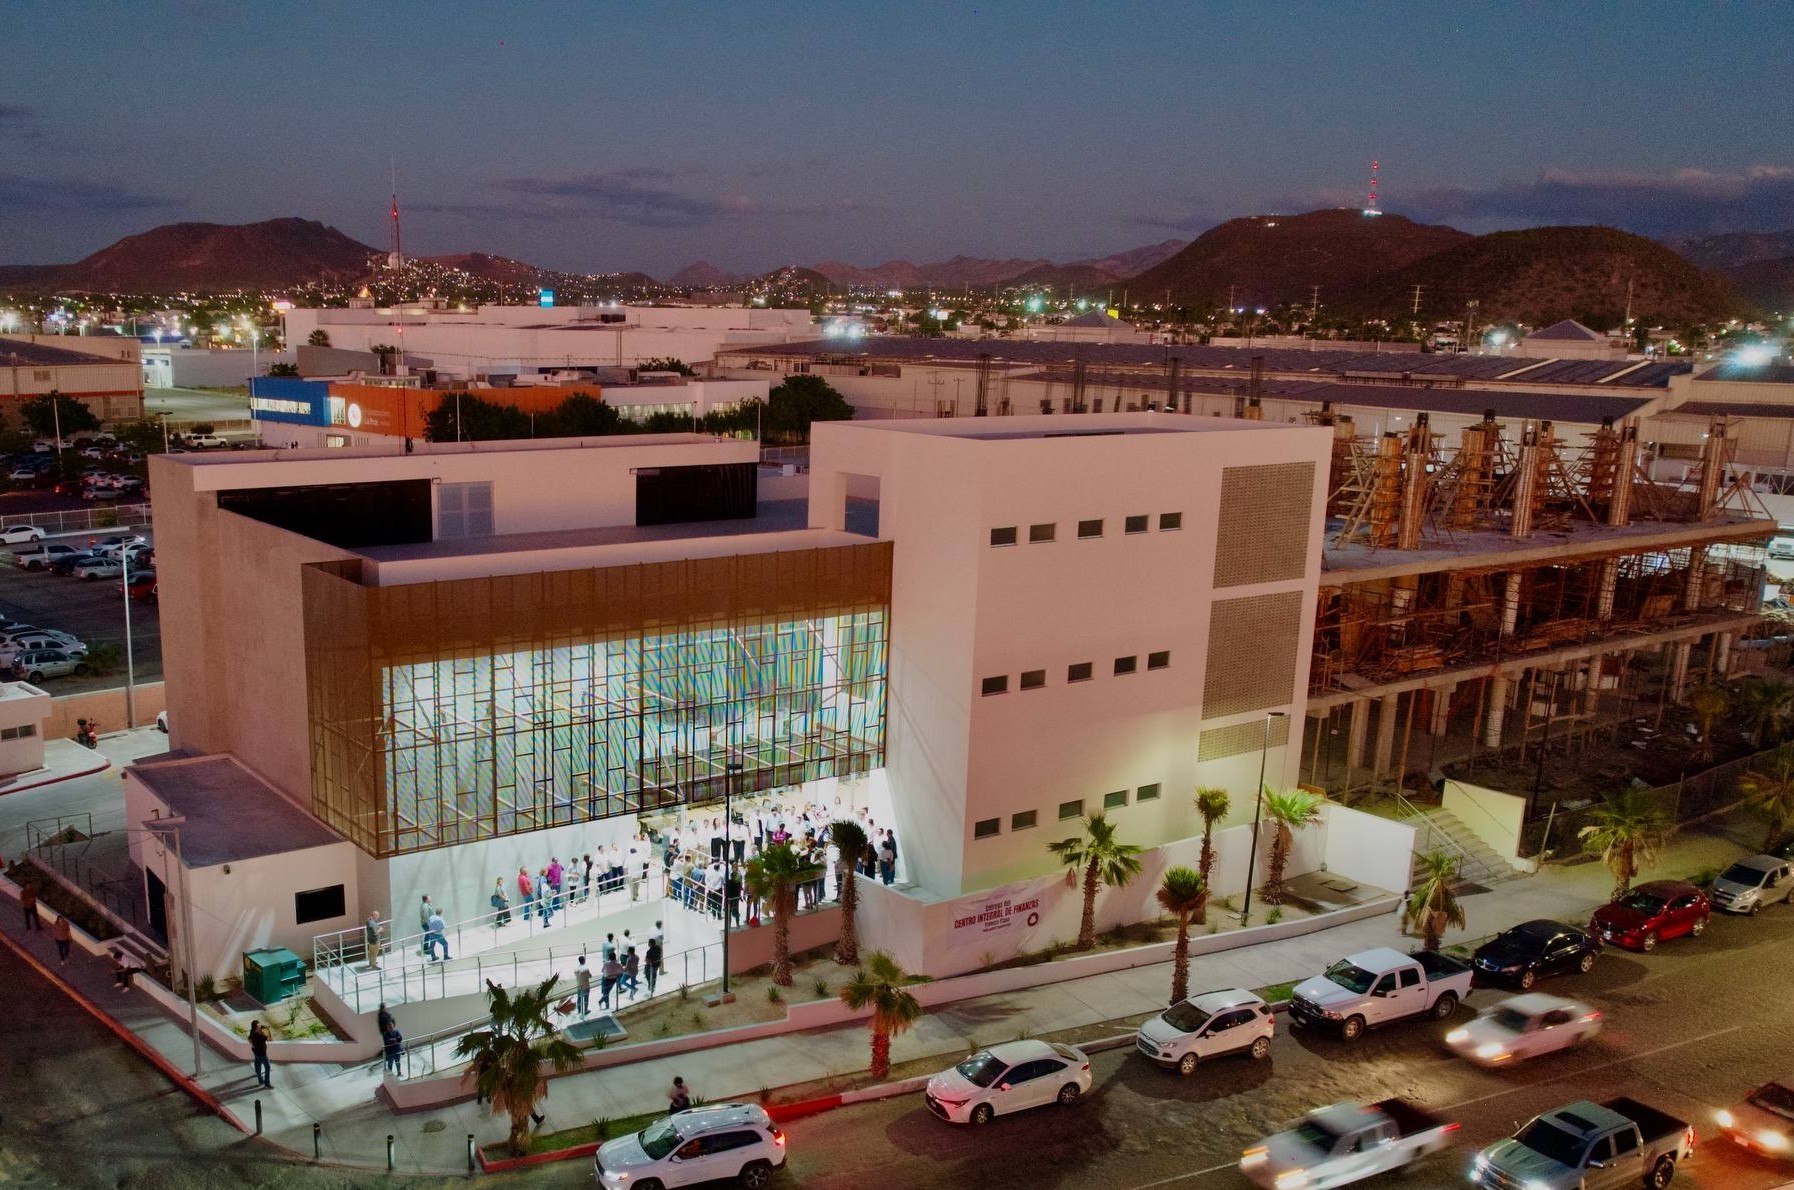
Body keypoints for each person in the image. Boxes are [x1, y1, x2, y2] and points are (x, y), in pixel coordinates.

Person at [249, 1020, 272, 1089]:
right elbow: (270, 1039)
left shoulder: (252, 1031)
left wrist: (252, 1044)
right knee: (267, 1067)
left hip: (256, 1052)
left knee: (257, 1066)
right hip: (262, 1054)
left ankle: (260, 1080)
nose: (260, 1026)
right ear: (256, 1027)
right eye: (259, 1026)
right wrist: (268, 1030)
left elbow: (249, 1038)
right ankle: (267, 1084)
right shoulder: (260, 1036)